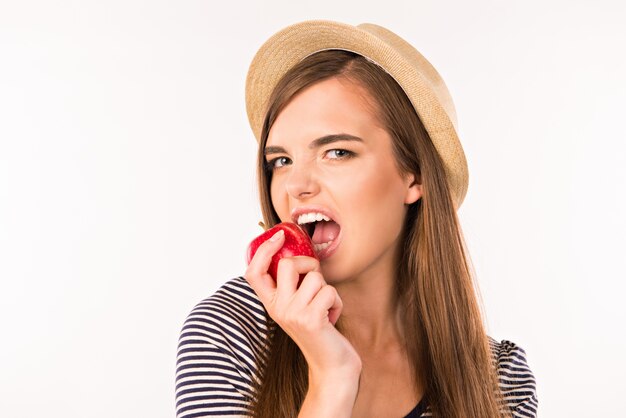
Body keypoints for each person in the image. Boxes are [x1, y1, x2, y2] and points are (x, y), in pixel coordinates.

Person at [175, 20, 538, 418]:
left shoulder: (500, 380)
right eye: (281, 160)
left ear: (413, 174)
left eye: (337, 152)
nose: (296, 184)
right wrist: (332, 380)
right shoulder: (230, 332)